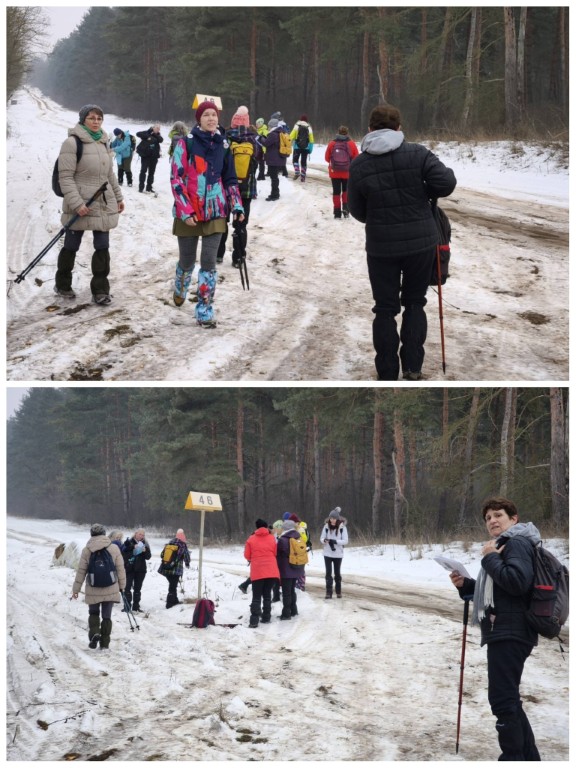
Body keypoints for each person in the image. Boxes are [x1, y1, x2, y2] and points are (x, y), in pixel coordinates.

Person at [348, 104, 457, 381]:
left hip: (381, 246)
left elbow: (358, 211)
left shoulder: (360, 164)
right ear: (399, 127)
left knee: (384, 309)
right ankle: (412, 367)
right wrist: (424, 192)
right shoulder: (418, 153)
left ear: (370, 129)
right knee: (415, 303)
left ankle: (386, 372)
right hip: (421, 245)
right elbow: (445, 183)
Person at [449, 497, 542, 761]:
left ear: (514, 519)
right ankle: (528, 758)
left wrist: (489, 558)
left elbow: (516, 582)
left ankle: (513, 758)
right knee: (509, 699)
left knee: (502, 701)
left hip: (512, 632)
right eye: (488, 517)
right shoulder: (504, 546)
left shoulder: (518, 543)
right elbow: (499, 590)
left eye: (498, 515)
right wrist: (466, 585)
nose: (492, 521)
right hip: (506, 630)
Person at [169, 100, 245, 326]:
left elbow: (230, 179)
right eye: (206, 115)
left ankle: (204, 309)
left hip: (215, 211)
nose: (211, 118)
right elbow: (176, 179)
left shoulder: (224, 146)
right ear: (199, 119)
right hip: (189, 213)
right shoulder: (185, 144)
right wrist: (185, 210)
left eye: (214, 114)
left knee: (209, 263)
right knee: (187, 260)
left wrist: (237, 205)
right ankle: (181, 284)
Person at [54, 104, 125, 305]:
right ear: (83, 119)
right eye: (91, 118)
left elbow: (109, 175)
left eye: (99, 119)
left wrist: (118, 198)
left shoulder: (104, 142)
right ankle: (62, 283)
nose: (95, 122)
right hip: (80, 205)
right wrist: (77, 203)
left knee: (102, 247)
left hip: (102, 203)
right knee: (71, 246)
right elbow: (65, 177)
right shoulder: (72, 143)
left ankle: (101, 290)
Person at [71, 523, 126, 650]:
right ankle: (105, 644)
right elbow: (121, 569)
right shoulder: (114, 548)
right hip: (110, 587)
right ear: (104, 534)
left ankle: (95, 632)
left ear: (91, 534)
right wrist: (122, 586)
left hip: (93, 587)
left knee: (94, 613)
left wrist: (76, 590)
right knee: (107, 617)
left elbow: (81, 571)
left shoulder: (87, 550)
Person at [218, 109, 261, 266]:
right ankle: (239, 257)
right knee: (241, 224)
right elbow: (259, 159)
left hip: (226, 187)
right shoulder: (254, 140)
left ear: (233, 121)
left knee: (222, 221)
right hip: (247, 188)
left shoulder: (225, 138)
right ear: (247, 122)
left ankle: (218, 254)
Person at [243, 518, 281, 628]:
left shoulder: (251, 539)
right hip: (271, 570)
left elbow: (247, 555)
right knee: (267, 595)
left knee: (256, 596)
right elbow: (275, 552)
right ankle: (266, 617)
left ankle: (254, 620)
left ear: (257, 527)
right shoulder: (271, 538)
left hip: (258, 571)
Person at [325, 125, 359, 218]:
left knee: (336, 192)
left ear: (338, 132)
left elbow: (327, 158)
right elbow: (356, 158)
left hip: (334, 172)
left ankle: (337, 212)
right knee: (346, 191)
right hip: (347, 172)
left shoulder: (332, 143)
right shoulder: (351, 144)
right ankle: (346, 209)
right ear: (347, 133)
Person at [276, 519, 305, 619]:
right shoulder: (298, 537)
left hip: (286, 569)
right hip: (296, 568)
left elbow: (279, 554)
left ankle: (286, 613)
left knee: (286, 593)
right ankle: (294, 610)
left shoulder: (283, 539)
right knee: (292, 590)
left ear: (285, 528)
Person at [158, 528, 190, 608]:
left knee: (173, 584)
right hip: (176, 569)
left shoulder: (170, 542)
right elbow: (186, 556)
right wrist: (187, 563)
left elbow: (162, 555)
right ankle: (169, 603)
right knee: (172, 586)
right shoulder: (182, 544)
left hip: (166, 568)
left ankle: (175, 600)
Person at [320, 507, 348, 598]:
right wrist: (325, 540)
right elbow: (321, 538)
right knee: (328, 573)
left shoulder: (342, 528)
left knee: (337, 573)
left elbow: (345, 541)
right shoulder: (326, 527)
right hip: (327, 553)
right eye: (331, 518)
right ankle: (328, 592)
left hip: (338, 554)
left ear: (337, 519)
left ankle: (338, 591)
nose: (332, 520)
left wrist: (335, 541)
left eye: (334, 518)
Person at [121, 527, 151, 612]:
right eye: (140, 534)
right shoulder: (129, 542)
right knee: (127, 588)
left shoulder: (145, 543)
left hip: (141, 569)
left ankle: (136, 607)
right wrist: (133, 547)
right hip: (129, 568)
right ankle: (127, 607)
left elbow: (148, 557)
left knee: (138, 589)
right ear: (135, 534)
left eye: (143, 535)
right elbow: (123, 553)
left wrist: (145, 551)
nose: (141, 536)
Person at [261, 118, 287, 201]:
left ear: (271, 126)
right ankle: (275, 193)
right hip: (278, 158)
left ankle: (274, 194)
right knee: (275, 177)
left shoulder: (273, 134)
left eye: (269, 126)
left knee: (274, 177)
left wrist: (260, 138)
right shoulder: (280, 132)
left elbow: (266, 143)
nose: (268, 127)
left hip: (274, 159)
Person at [135, 123, 164, 193]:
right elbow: (138, 133)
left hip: (154, 157)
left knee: (151, 173)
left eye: (159, 129)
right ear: (153, 128)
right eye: (157, 128)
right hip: (145, 156)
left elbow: (161, 140)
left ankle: (149, 187)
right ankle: (141, 187)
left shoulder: (158, 136)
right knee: (143, 171)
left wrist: (154, 135)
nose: (158, 130)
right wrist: (147, 136)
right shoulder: (147, 132)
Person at [289, 114, 314, 182]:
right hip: (305, 147)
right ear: (306, 121)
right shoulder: (309, 127)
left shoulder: (297, 126)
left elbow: (291, 136)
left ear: (300, 119)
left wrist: (288, 141)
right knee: (303, 162)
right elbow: (311, 140)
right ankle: (303, 177)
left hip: (297, 146)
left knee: (295, 160)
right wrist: (310, 149)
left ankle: (297, 172)